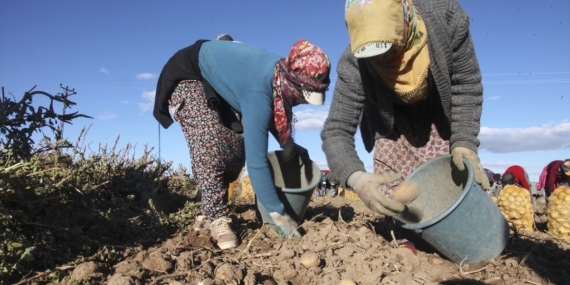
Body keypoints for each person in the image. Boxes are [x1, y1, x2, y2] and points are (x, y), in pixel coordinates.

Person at [153, 38, 331, 249]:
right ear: (293, 82)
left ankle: (208, 209)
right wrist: (279, 215)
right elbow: (257, 164)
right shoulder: (259, 89)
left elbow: (274, 117)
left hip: (218, 83)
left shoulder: (280, 75)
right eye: (302, 97)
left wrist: (290, 147)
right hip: (189, 74)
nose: (300, 103)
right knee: (210, 140)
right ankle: (217, 216)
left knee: (239, 143)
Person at [321, 0, 488, 217]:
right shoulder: (355, 62)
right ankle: (403, 238)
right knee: (396, 197)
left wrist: (465, 141)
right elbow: (336, 130)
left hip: (436, 116)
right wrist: (356, 177)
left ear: (406, 23)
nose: (382, 58)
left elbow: (465, 83)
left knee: (447, 191)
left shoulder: (445, 17)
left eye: (389, 48)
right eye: (373, 54)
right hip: (390, 121)